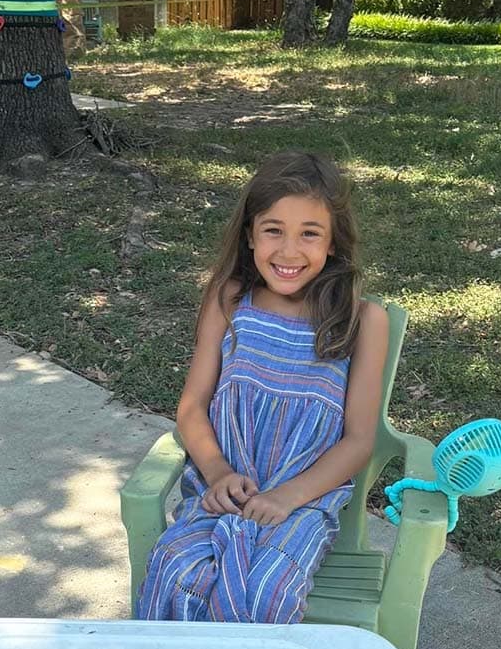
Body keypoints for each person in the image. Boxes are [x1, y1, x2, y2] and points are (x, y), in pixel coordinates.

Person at [136, 150, 388, 624]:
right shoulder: (230, 299)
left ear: (333, 243)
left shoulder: (360, 321)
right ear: (251, 233)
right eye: (274, 230)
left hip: (301, 502)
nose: (289, 252)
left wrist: (286, 497)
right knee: (177, 569)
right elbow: (192, 407)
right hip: (222, 488)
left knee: (267, 587)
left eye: (309, 234)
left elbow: (359, 441)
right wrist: (216, 474)